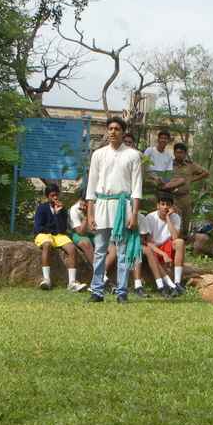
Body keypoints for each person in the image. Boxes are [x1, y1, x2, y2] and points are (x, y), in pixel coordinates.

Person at [85, 117, 143, 303]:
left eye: (117, 128)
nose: (112, 132)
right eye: (110, 128)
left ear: (123, 132)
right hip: (102, 205)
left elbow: (137, 188)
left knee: (122, 251)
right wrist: (90, 213)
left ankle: (122, 291)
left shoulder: (133, 155)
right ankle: (97, 291)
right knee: (100, 250)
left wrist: (134, 215)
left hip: (122, 206)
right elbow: (91, 185)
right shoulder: (98, 154)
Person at [32, 184, 87, 293]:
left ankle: (72, 282)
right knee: (47, 245)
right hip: (44, 234)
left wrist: (57, 214)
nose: (55, 198)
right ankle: (46, 279)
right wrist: (50, 231)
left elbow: (62, 229)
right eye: (52, 195)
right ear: (47, 196)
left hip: (58, 235)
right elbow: (38, 227)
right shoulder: (42, 208)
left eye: (57, 195)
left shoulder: (62, 209)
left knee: (72, 248)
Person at [161, 142, 209, 239]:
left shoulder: (190, 165)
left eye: (181, 152)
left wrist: (192, 179)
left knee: (186, 221)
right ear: (174, 153)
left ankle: (185, 242)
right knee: (174, 220)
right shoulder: (168, 164)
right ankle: (173, 241)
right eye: (177, 152)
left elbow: (205, 173)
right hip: (172, 197)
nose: (179, 154)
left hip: (185, 197)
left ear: (185, 153)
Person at [140, 193, 186, 295]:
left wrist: (168, 217)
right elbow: (148, 242)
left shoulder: (175, 217)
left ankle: (177, 282)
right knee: (150, 250)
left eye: (168, 205)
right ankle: (167, 285)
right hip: (155, 248)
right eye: (163, 204)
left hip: (167, 245)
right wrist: (163, 254)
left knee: (180, 242)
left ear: (172, 207)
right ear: (158, 206)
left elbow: (175, 237)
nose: (165, 207)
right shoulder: (150, 217)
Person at [68, 196, 95, 266]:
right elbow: (80, 232)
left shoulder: (95, 205)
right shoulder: (74, 210)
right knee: (85, 243)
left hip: (92, 232)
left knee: (110, 246)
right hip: (77, 234)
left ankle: (104, 269)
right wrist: (86, 215)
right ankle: (97, 269)